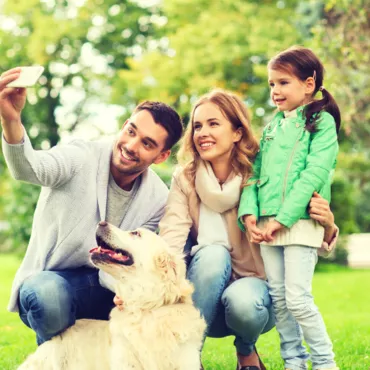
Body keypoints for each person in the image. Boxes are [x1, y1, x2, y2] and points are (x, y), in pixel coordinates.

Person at [0, 67, 183, 345]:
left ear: (162, 156)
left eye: (147, 143)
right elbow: (30, 169)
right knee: (48, 296)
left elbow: (132, 260)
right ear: (124, 125)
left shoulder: (158, 198)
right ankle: (53, 355)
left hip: (106, 288)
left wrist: (127, 290)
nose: (131, 145)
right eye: (131, 131)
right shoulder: (80, 155)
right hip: (52, 281)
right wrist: (11, 120)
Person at [158, 89, 338, 370]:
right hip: (200, 297)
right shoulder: (185, 178)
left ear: (238, 133)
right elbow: (171, 235)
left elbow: (300, 228)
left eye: (214, 124)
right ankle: (188, 359)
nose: (202, 132)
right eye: (197, 126)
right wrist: (159, 285)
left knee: (243, 301)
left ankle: (246, 350)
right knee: (214, 254)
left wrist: (327, 226)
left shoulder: (263, 173)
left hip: (253, 301)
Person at [238, 46, 340, 370]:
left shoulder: (321, 123)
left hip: (299, 223)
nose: (275, 91)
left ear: (308, 84)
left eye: (283, 83)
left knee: (298, 298)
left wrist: (283, 219)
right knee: (280, 302)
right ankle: (293, 363)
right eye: (271, 84)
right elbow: (252, 175)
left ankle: (325, 364)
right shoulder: (271, 129)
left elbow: (314, 173)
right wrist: (249, 215)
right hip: (267, 226)